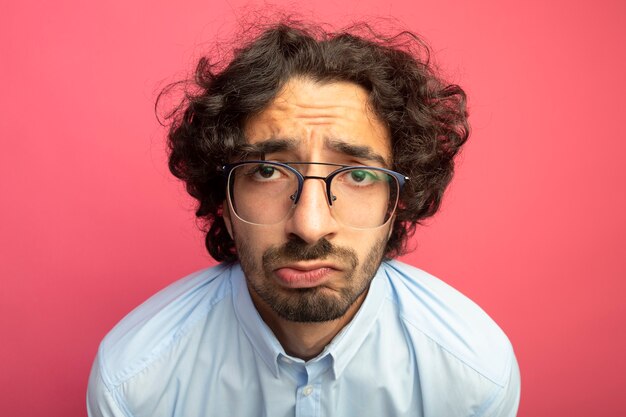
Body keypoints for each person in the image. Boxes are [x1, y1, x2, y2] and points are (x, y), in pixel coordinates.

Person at [87, 20, 520, 417]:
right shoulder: (134, 383)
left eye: (358, 174)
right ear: (224, 201)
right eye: (267, 171)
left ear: (398, 202)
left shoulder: (473, 377)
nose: (309, 225)